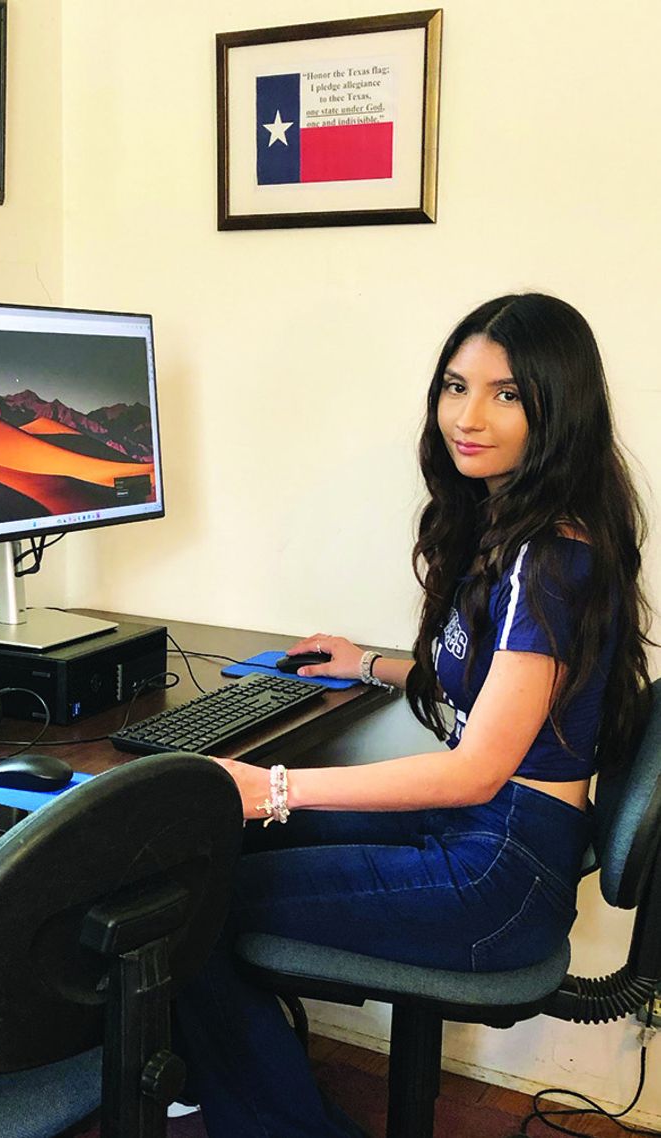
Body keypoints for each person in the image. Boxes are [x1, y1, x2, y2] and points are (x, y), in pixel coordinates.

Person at [174, 292, 653, 1138]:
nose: (468, 416)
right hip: (489, 829)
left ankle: (269, 1112)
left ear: (559, 406)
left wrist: (273, 786)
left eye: (506, 394)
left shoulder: (553, 558)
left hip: (498, 869)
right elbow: (500, 684)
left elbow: (477, 764)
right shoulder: (517, 524)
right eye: (454, 386)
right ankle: (247, 1083)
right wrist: (371, 665)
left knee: (183, 909)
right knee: (202, 854)